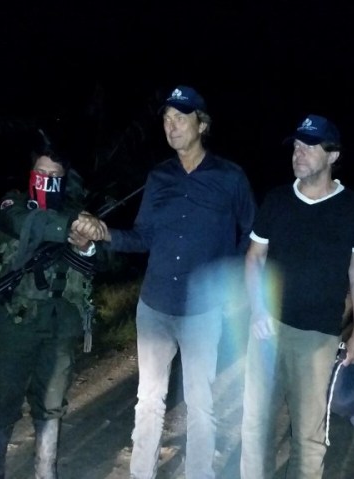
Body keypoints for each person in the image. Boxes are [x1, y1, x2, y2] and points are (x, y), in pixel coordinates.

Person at [96, 85, 256, 478]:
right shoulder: (159, 177)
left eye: (180, 118)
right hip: (154, 306)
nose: (171, 126)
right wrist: (105, 235)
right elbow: (143, 236)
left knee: (200, 404)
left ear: (201, 124)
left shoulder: (230, 177)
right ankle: (141, 473)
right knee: (148, 400)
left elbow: (253, 236)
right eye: (166, 119)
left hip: (202, 310)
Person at [240, 114, 354, 478]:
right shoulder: (277, 200)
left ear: (332, 156)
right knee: (255, 427)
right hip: (268, 332)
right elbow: (254, 259)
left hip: (318, 336)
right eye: (296, 146)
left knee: (309, 434)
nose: (298, 153)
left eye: (309, 146)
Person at [0, 131, 104, 479]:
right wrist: (69, 227)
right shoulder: (14, 204)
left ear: (65, 180)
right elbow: (23, 224)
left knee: (51, 403)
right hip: (14, 320)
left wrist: (87, 244)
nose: (46, 181)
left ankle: (45, 472)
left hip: (61, 322)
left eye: (54, 176)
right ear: (30, 174)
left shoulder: (76, 213)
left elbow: (102, 260)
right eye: (41, 173)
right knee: (3, 396)